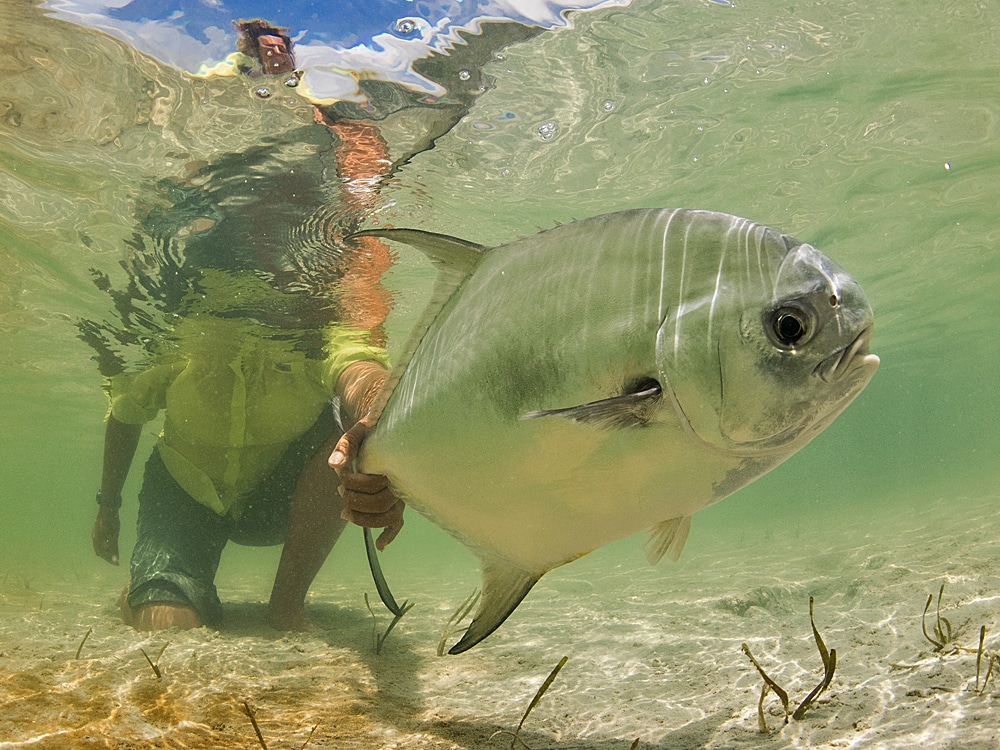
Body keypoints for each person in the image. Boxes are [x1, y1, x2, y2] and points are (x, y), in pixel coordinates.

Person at [90, 289, 404, 632]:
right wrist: (108, 507)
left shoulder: (318, 331)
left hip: (278, 501)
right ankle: (150, 587)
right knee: (167, 626)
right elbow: (127, 412)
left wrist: (384, 433)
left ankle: (286, 608)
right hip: (186, 491)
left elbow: (362, 374)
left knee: (345, 418)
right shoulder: (172, 340)